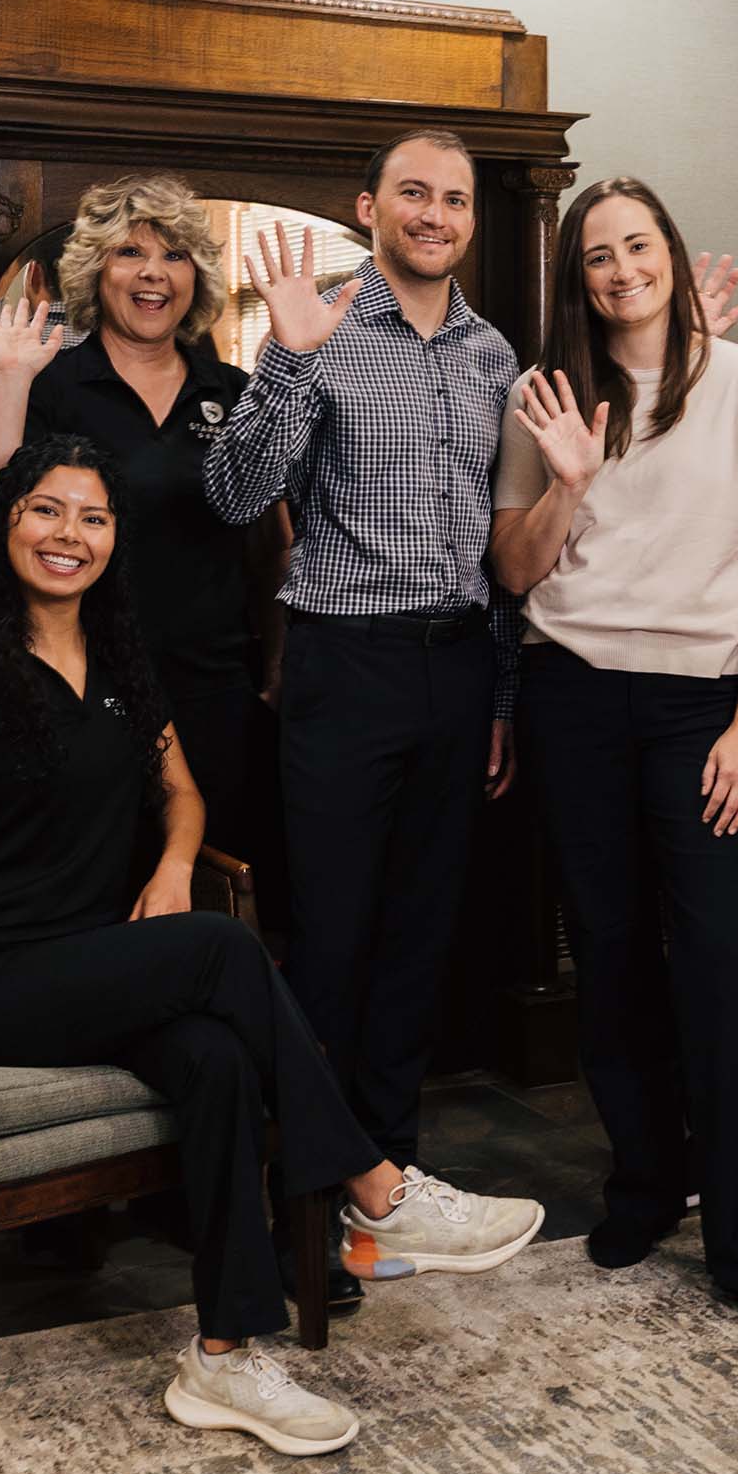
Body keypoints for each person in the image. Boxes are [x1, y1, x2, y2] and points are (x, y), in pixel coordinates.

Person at [0, 435, 544, 1457]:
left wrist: (171, 863)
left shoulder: (120, 658)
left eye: (92, 516)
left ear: (114, 540)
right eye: (45, 509)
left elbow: (185, 792)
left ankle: (223, 1351)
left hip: (78, 961)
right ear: (5, 522)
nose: (67, 533)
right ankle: (374, 1188)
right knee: (217, 953)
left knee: (211, 1058)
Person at [491, 176, 738, 1340]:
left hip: (703, 709)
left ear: (672, 255)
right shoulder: (546, 398)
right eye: (597, 255)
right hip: (572, 698)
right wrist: (567, 482)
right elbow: (516, 571)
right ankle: (642, 1184)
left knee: (725, 971)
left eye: (637, 245)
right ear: (576, 277)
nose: (620, 268)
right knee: (612, 960)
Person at [199, 131, 518, 1180]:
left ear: (471, 219)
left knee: (422, 936)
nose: (434, 214)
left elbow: (501, 541)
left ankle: (389, 1171)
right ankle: (311, 1183)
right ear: (368, 206)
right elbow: (235, 494)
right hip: (344, 664)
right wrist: (285, 355)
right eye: (412, 193)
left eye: (454, 199)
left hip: (459, 664)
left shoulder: (493, 356)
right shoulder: (320, 329)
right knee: (331, 934)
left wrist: (502, 692)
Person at [0, 175, 289, 919]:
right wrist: (9, 380)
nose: (152, 272)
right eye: (129, 252)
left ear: (195, 276)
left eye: (173, 255)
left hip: (214, 689)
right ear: (94, 270)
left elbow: (271, 546)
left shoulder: (231, 390)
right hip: (86, 684)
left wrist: (271, 669)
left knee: (220, 893)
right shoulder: (54, 383)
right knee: (102, 893)